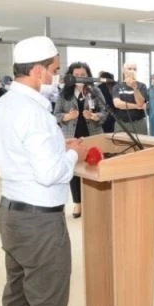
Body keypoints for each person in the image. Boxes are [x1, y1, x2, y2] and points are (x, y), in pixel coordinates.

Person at [0, 35, 90, 306]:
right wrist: (74, 155)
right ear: (37, 71)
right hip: (39, 223)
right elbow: (50, 174)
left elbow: (24, 155)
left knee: (17, 296)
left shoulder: (2, 105)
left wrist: (59, 149)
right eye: (54, 69)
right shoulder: (34, 113)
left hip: (10, 213)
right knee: (46, 303)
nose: (57, 76)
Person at [54, 62, 107, 219]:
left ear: (88, 76)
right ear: (70, 76)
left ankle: (95, 202)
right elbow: (56, 114)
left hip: (93, 134)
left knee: (95, 167)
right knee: (74, 171)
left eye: (83, 75)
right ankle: (78, 203)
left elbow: (105, 112)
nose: (80, 78)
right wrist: (67, 116)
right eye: (76, 75)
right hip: (72, 137)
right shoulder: (64, 93)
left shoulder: (95, 91)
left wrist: (94, 116)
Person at [112, 61, 148, 135]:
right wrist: (136, 106)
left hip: (139, 123)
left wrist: (135, 88)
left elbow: (140, 103)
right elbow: (118, 104)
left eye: (134, 69)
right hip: (121, 123)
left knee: (142, 142)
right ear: (124, 71)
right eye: (129, 69)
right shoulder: (117, 86)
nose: (132, 71)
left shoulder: (142, 86)